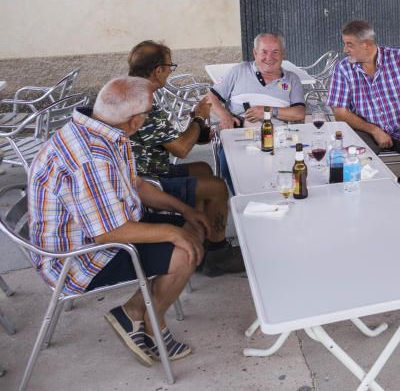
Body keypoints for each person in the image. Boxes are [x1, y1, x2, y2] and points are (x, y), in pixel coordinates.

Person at [28, 77, 207, 365]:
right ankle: (147, 319)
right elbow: (108, 233)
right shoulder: (91, 158)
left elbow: (135, 185)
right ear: (135, 121)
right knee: (185, 251)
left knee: (191, 228)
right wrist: (174, 234)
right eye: (149, 112)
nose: (150, 116)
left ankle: (137, 312)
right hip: (78, 257)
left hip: (106, 227)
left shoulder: (103, 130)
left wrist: (184, 212)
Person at [127, 41, 244, 276]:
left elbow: (170, 140)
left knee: (202, 169)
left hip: (150, 169)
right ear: (158, 69)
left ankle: (201, 238)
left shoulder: (136, 90)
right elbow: (180, 150)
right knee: (217, 187)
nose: (171, 71)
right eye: (170, 65)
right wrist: (199, 119)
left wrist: (197, 130)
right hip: (145, 182)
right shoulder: (143, 101)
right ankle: (217, 255)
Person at [329, 20, 400, 185]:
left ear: (367, 44)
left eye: (349, 44)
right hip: (366, 131)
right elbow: (339, 113)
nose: (345, 50)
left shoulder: (398, 57)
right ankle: (369, 198)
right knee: (353, 162)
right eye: (344, 44)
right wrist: (374, 130)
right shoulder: (343, 68)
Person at [207, 32, 306, 129]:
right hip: (240, 135)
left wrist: (269, 111)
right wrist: (225, 116)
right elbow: (210, 97)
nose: (269, 57)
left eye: (275, 52)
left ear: (283, 54)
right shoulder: (240, 71)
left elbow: (299, 113)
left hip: (279, 137)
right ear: (255, 53)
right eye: (264, 52)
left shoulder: (292, 79)